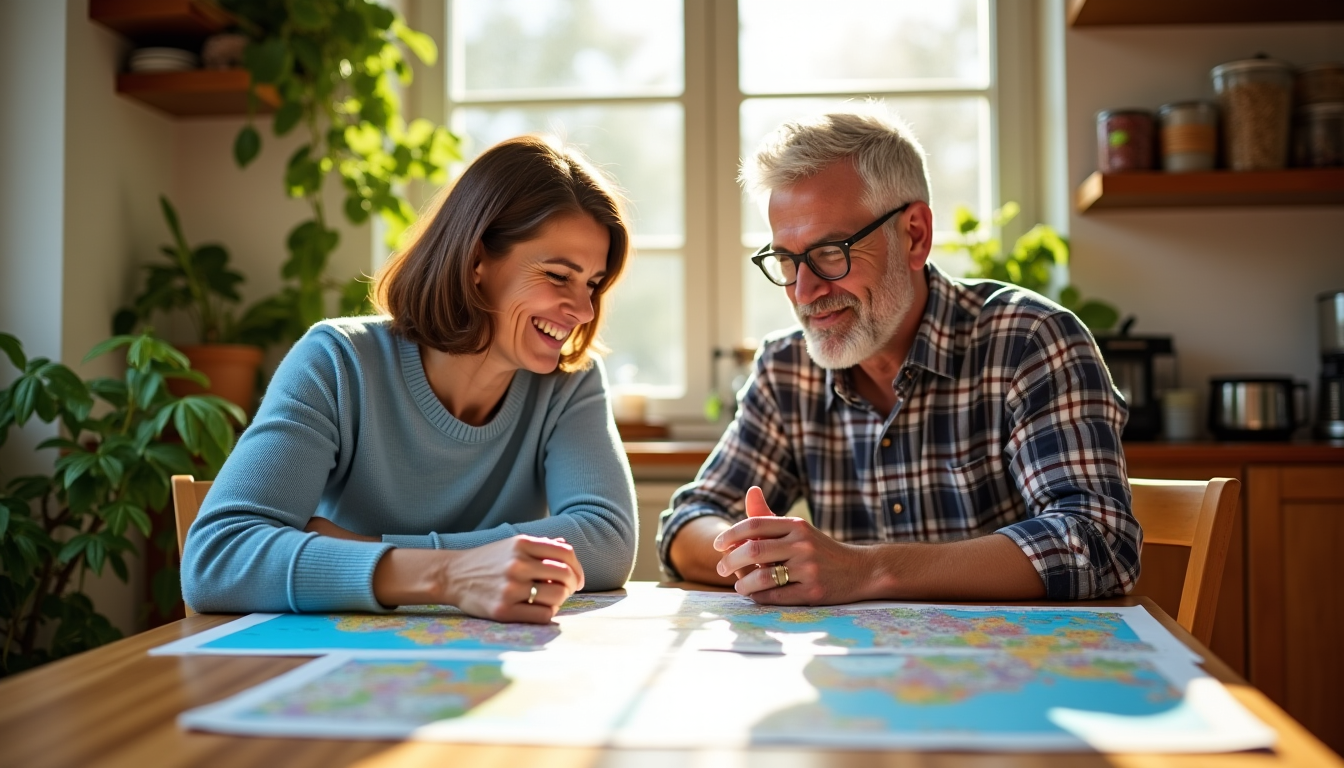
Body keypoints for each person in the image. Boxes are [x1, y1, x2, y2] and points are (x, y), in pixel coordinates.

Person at [657, 104, 1140, 605]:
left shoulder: (1029, 340)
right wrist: (762, 556)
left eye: (829, 252)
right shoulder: (787, 369)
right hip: (860, 674)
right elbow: (688, 523)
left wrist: (866, 571)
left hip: (1022, 669)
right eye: (785, 259)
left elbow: (1099, 542)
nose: (804, 291)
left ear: (914, 235)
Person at [183, 135, 638, 623]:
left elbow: (607, 539)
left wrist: (372, 550)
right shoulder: (337, 363)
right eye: (557, 276)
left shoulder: (570, 382)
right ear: (476, 260)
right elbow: (216, 558)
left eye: (592, 283)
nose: (584, 310)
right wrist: (448, 574)